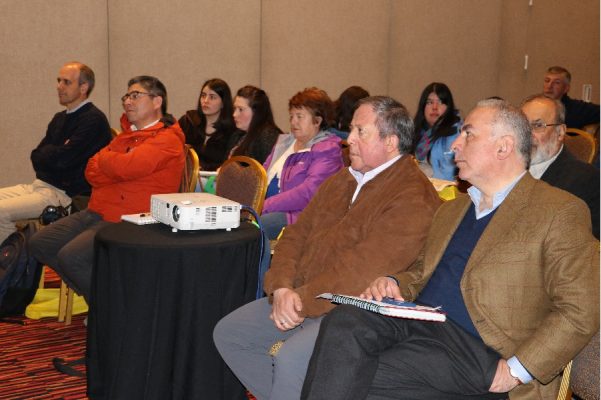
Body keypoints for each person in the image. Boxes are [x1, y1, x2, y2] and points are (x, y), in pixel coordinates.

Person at [301, 99, 599, 400]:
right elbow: (420, 272)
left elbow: (581, 308)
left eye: (468, 134)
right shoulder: (452, 211)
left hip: (479, 350)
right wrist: (394, 282)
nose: (454, 145)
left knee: (348, 370)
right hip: (420, 324)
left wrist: (516, 370)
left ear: (503, 147)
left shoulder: (558, 211)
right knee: (344, 322)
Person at [214, 96, 442, 400]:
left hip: (351, 309)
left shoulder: (412, 195)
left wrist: (299, 301)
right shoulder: (343, 180)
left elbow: (362, 272)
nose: (348, 140)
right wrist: (280, 288)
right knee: (231, 335)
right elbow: (295, 234)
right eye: (351, 130)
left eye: (361, 132)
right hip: (300, 296)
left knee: (290, 360)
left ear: (391, 142)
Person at [29, 75, 185, 303]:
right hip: (99, 210)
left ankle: (109, 308)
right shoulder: (126, 136)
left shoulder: (168, 139)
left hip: (132, 218)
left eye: (135, 95)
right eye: (127, 96)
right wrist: (114, 165)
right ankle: (105, 300)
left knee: (71, 257)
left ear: (157, 102)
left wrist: (111, 164)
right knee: (40, 243)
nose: (128, 101)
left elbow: (126, 167)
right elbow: (91, 169)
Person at [0, 61, 111, 243]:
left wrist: (52, 154)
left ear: (84, 87)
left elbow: (63, 161)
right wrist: (55, 153)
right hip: (41, 185)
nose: (59, 86)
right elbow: (36, 156)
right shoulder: (59, 118)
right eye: (58, 81)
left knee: (1, 211)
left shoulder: (93, 120)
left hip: (65, 195)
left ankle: (15, 263)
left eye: (66, 82)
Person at [261, 87, 343, 239]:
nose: (293, 122)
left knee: (253, 229)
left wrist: (264, 206)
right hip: (267, 208)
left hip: (298, 215)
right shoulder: (284, 143)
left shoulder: (328, 150)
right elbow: (261, 175)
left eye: (299, 116)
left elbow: (308, 193)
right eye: (291, 116)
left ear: (317, 121)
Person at [521, 94, 599, 239]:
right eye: (523, 126)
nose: (528, 135)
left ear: (560, 132)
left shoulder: (587, 180)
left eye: (538, 126)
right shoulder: (505, 171)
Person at [178, 78, 236, 171]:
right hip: (185, 178)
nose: (205, 101)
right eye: (203, 96)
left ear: (223, 103)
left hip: (213, 182)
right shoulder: (187, 121)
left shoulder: (232, 131)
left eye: (212, 97)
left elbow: (229, 164)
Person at [413, 82, 462, 181]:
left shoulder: (456, 134)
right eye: (430, 102)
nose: (435, 107)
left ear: (449, 106)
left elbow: (447, 174)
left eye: (440, 102)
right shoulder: (418, 132)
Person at [229, 85, 282, 164]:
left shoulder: (268, 136)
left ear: (256, 112)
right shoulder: (238, 135)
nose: (234, 114)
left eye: (240, 109)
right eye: (234, 108)